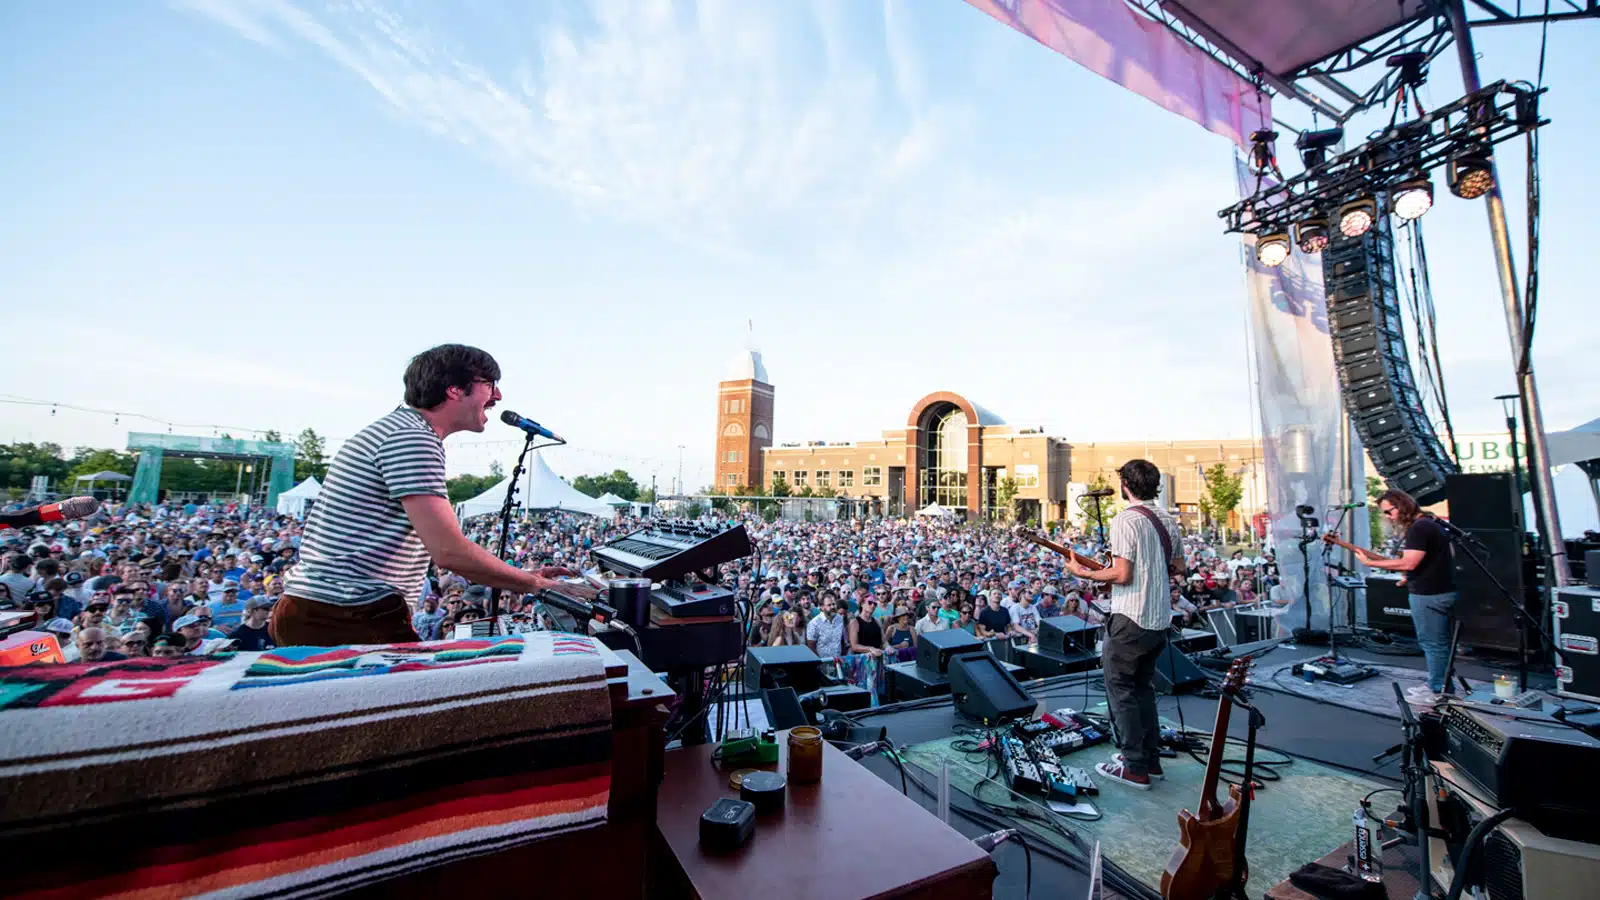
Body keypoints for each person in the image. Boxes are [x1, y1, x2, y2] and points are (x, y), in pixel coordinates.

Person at [276, 345, 595, 646]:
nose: (497, 394)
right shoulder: (412, 438)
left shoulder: (401, 430)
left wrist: (521, 576)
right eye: (490, 383)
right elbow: (449, 551)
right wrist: (539, 586)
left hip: (335, 609)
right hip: (342, 615)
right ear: (454, 388)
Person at [1063, 459, 1181, 790]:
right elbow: (1178, 566)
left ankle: (1134, 768)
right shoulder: (1167, 519)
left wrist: (1082, 573)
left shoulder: (1126, 519)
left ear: (1124, 485)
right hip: (1159, 619)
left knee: (1122, 691)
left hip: (1132, 617)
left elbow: (1122, 574)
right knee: (1143, 688)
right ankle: (1150, 761)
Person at [1339, 489, 1455, 704]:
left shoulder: (1419, 528)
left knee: (1432, 644)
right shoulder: (1432, 523)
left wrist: (1370, 563)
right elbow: (1442, 558)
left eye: (1388, 511)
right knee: (1440, 643)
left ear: (1401, 505)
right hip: (1442, 590)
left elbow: (1409, 562)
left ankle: (1438, 688)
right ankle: (1443, 683)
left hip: (1429, 595)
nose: (1388, 516)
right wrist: (1412, 576)